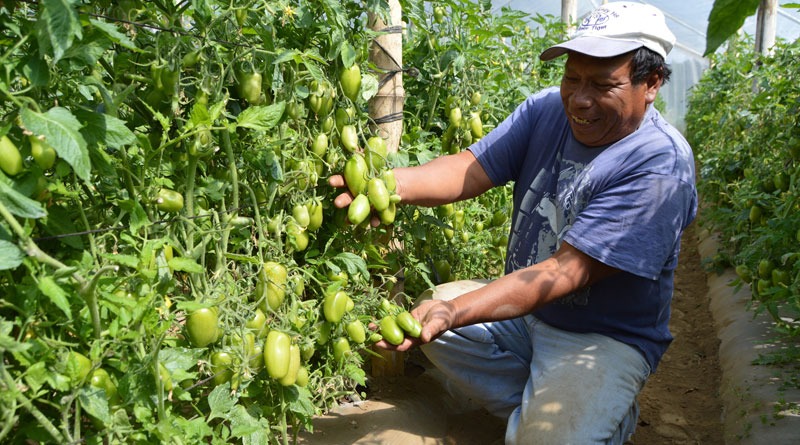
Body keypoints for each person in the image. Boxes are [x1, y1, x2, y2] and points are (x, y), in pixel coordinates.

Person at [330, 2, 698, 443]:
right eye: (572, 78)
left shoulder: (658, 166)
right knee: (433, 321)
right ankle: (554, 409)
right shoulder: (547, 110)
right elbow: (469, 169)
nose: (580, 99)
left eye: (603, 85)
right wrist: (388, 186)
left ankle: (596, 416)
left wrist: (454, 312)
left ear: (651, 83)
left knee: (449, 317)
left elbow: (567, 272)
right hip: (526, 316)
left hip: (600, 338)